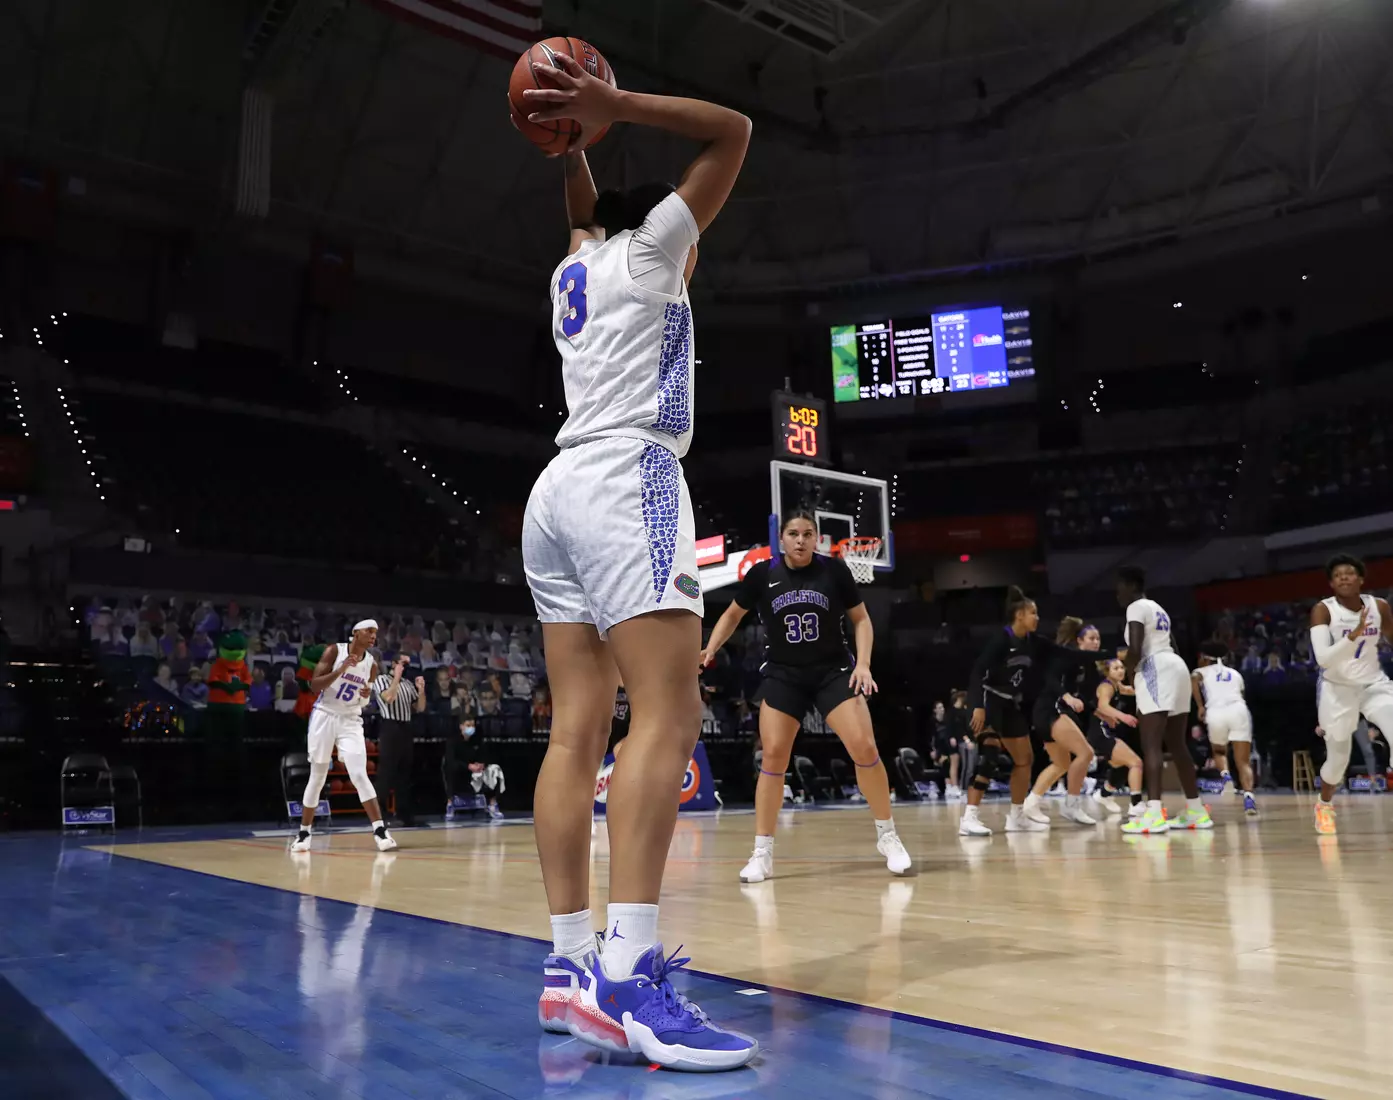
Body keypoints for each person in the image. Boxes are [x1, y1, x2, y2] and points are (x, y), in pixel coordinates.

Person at [517, 53, 756, 1070]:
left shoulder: (574, 265)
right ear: (663, 223)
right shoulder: (658, 249)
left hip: (554, 492)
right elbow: (732, 129)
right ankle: (629, 974)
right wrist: (613, 109)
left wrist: (572, 148)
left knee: (575, 734)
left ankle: (570, 967)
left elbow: (578, 210)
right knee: (669, 712)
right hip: (629, 478)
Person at [701, 510, 911, 882]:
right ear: (781, 539)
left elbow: (861, 620)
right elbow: (733, 615)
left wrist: (863, 664)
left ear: (818, 539)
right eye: (794, 534)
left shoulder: (834, 572)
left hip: (832, 671)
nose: (800, 540)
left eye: (808, 534)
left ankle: (888, 836)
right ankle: (762, 852)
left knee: (864, 747)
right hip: (784, 675)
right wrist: (711, 647)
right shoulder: (763, 574)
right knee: (774, 756)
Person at [959, 588, 1106, 837]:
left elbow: (1068, 652)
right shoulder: (1001, 641)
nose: (1037, 618)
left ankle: (1016, 815)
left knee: (1025, 759)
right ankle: (969, 817)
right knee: (989, 755)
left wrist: (1107, 654)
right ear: (1019, 615)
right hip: (987, 701)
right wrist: (977, 706)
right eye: (1033, 613)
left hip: (1009, 704)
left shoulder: (1034, 642)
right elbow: (977, 672)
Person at [1117, 566, 1212, 834]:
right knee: (1178, 744)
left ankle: (1154, 813)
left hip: (1155, 667)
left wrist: (1126, 674)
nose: (1117, 594)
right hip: (1177, 666)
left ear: (1129, 585)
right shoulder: (1159, 608)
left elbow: (1135, 649)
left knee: (1151, 744)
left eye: (1119, 588)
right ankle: (1195, 810)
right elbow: (1174, 644)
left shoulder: (1136, 607)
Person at [290, 620, 398, 853]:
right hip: (325, 715)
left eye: (375, 633)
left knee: (359, 774)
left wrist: (366, 695)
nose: (373, 636)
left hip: (350, 719)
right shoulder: (334, 651)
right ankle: (304, 833)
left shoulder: (371, 664)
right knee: (318, 776)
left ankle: (380, 831)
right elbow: (314, 686)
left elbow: (364, 700)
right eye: (369, 631)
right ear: (355, 633)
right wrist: (340, 670)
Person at [1310, 554, 1393, 834]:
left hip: (1373, 684)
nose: (1344, 577)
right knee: (1338, 761)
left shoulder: (1378, 606)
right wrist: (1353, 636)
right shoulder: (1323, 610)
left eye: (1349, 573)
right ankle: (1324, 804)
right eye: (1337, 575)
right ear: (1332, 584)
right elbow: (1322, 658)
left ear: (1361, 579)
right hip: (1337, 689)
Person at [1023, 618, 1105, 827]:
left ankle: (1031, 804)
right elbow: (1049, 678)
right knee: (1085, 753)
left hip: (1051, 712)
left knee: (1062, 764)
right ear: (1079, 640)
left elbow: (1089, 698)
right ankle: (1072, 805)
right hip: (1049, 709)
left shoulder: (1088, 665)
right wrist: (1066, 696)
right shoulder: (1066, 655)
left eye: (1098, 639)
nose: (1096, 642)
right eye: (1091, 638)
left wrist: (1104, 713)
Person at [1192, 641, 1258, 817]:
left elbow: (1193, 679)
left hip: (1216, 712)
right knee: (1243, 761)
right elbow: (1242, 694)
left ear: (1205, 658)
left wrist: (1200, 706)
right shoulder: (1235, 673)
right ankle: (1249, 797)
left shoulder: (1201, 671)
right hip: (1239, 711)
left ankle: (1227, 778)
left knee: (1219, 752)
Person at [372, 655, 427, 827]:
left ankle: (404, 813)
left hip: (406, 727)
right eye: (402, 664)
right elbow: (389, 698)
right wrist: (396, 677)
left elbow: (420, 708)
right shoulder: (381, 680)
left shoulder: (408, 684)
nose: (405, 667)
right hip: (390, 727)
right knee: (386, 772)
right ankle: (379, 815)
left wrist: (421, 690)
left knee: (404, 773)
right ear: (394, 664)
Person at [1088, 657, 1145, 819]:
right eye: (1116, 668)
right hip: (1100, 733)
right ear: (1107, 672)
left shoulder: (1116, 685)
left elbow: (1129, 690)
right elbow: (1102, 706)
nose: (1120, 670)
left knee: (1121, 768)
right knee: (1136, 762)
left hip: (1105, 733)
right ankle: (1136, 804)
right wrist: (1124, 716)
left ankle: (1103, 795)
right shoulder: (1106, 686)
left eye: (1121, 667)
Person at [447, 716, 506, 820]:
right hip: (461, 773)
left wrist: (482, 764)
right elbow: (451, 761)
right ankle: (450, 804)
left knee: (495, 769)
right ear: (461, 726)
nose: (471, 728)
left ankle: (492, 804)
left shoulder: (477, 740)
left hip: (477, 773)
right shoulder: (453, 741)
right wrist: (469, 766)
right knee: (451, 769)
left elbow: (486, 756)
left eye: (473, 725)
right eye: (468, 725)